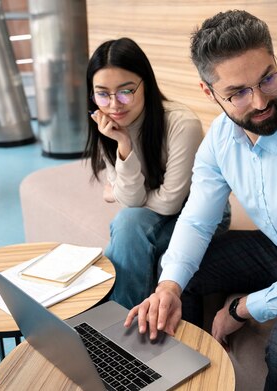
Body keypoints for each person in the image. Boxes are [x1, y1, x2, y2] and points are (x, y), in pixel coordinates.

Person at [125, 10, 277, 389]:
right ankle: (181, 378)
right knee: (176, 276)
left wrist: (242, 308)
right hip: (273, 248)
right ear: (209, 92)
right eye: (237, 92)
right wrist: (168, 287)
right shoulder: (220, 140)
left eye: (267, 78)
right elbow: (196, 221)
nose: (259, 101)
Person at [85, 37, 205, 309]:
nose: (114, 104)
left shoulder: (182, 124)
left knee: (128, 223)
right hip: (145, 213)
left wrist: (116, 191)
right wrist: (124, 145)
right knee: (129, 221)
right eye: (102, 94)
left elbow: (170, 202)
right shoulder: (106, 125)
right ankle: (127, 323)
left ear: (145, 85)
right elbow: (132, 204)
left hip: (197, 211)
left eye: (125, 91)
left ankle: (118, 323)